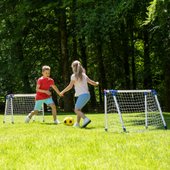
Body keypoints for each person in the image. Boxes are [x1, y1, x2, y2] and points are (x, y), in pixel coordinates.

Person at [60, 60, 99, 128]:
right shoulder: (84, 75)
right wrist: (96, 83)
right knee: (79, 109)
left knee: (76, 110)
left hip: (82, 95)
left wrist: (62, 91)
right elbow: (92, 82)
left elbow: (70, 86)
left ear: (73, 68)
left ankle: (86, 119)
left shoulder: (73, 76)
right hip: (87, 95)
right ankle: (77, 124)